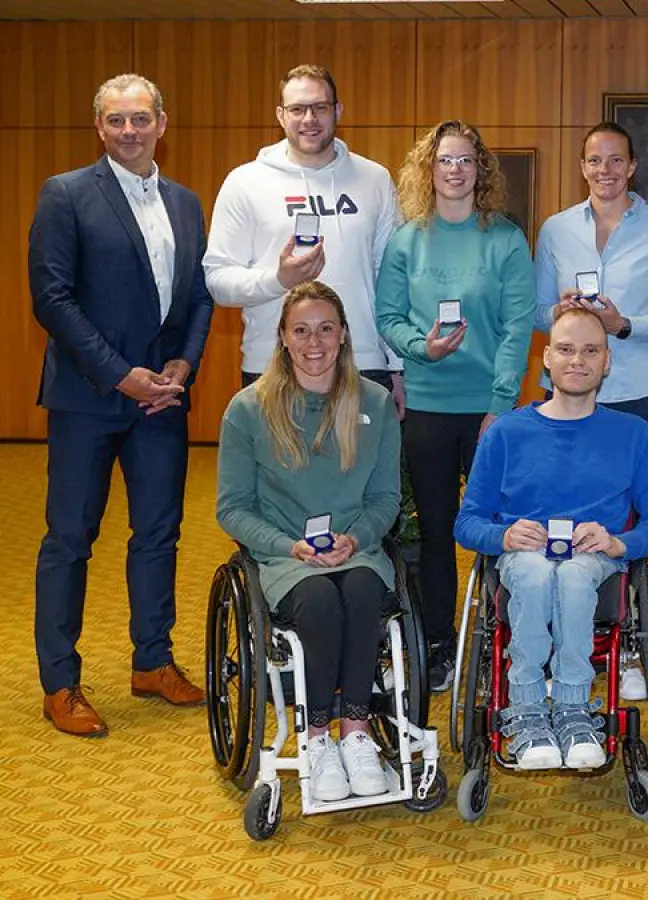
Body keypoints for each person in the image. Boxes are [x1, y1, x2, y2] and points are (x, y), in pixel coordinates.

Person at [30, 73, 214, 738]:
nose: (129, 131)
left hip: (162, 402)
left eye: (140, 119)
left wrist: (182, 366)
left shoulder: (186, 203)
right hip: (86, 399)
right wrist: (120, 375)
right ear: (100, 127)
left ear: (162, 123)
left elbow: (198, 295)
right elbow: (52, 299)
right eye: (116, 121)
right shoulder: (67, 195)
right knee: (70, 539)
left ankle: (152, 661)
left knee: (159, 533)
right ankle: (60, 682)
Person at [455, 307, 648, 770]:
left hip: (596, 558)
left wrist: (618, 543)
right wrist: (505, 534)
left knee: (576, 576)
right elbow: (467, 523)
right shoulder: (506, 432)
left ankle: (575, 708)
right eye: (566, 349)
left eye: (591, 351)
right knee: (535, 572)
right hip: (524, 556)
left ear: (607, 362)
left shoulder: (632, 434)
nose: (578, 361)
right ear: (547, 360)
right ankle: (528, 709)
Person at [215, 281, 402, 802]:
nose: (313, 342)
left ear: (344, 336)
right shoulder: (248, 410)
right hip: (284, 555)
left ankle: (357, 730)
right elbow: (232, 508)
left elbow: (386, 498)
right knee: (319, 600)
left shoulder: (377, 403)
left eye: (325, 329)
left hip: (357, 547)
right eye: (301, 330)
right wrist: (288, 545)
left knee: (363, 593)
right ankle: (318, 736)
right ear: (283, 337)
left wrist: (357, 536)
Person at [376, 120, 537, 694]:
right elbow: (388, 318)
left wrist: (500, 403)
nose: (454, 170)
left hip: (490, 411)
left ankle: (509, 643)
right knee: (438, 535)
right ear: (428, 168)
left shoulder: (506, 239)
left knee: (503, 530)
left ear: (481, 170)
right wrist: (423, 348)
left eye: (466, 160)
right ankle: (441, 644)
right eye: (445, 160)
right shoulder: (406, 240)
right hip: (425, 406)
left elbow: (519, 326)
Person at [204, 63, 404, 413]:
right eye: (297, 109)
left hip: (363, 362)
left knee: (361, 469)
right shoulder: (244, 183)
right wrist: (279, 279)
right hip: (272, 365)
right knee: (278, 470)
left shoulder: (374, 179)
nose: (309, 118)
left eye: (320, 107)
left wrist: (398, 366)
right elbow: (218, 281)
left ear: (337, 111)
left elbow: (393, 282)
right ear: (281, 115)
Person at [534, 122, 648, 453]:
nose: (604, 170)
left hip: (636, 394)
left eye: (616, 160)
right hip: (566, 390)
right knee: (564, 499)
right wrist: (559, 313)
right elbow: (536, 313)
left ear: (632, 166)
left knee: (631, 503)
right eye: (594, 160)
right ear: (582, 167)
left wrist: (623, 325)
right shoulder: (555, 229)